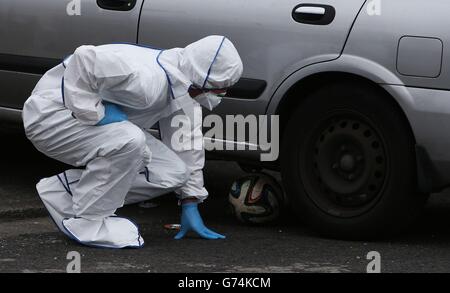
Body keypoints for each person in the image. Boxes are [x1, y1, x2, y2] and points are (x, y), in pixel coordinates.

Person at [22, 35, 244, 248]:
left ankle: (64, 192)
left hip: (83, 121)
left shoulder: (183, 86)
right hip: (50, 117)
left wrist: (190, 200)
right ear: (200, 81)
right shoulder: (148, 79)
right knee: (131, 141)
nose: (221, 95)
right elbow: (84, 59)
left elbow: (186, 142)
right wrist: (93, 111)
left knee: (174, 172)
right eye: (219, 90)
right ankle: (88, 221)